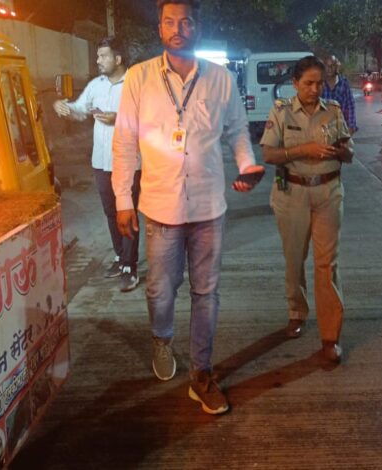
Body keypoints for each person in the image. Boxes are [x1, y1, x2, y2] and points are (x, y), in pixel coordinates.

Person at [112, 0, 264, 415]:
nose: (177, 28)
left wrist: (247, 165)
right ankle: (162, 339)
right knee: (160, 291)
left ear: (197, 27)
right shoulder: (139, 77)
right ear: (159, 28)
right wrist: (123, 200)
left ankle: (201, 373)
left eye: (185, 21)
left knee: (206, 293)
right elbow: (124, 142)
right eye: (169, 21)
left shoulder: (221, 79)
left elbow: (237, 131)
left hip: (209, 207)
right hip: (160, 207)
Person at [260, 55, 354, 366]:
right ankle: (296, 312)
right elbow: (269, 154)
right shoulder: (281, 111)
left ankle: (330, 336)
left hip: (328, 193)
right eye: (308, 83)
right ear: (295, 83)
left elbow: (350, 153)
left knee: (327, 264)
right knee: (294, 258)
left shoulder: (333, 111)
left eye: (319, 83)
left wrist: (341, 150)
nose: (314, 89)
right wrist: (304, 150)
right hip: (293, 194)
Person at [53, 36, 141, 292]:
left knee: (127, 212)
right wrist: (64, 108)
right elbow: (81, 110)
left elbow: (149, 119)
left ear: (118, 58)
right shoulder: (96, 85)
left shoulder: (135, 84)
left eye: (103, 56)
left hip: (128, 162)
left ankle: (130, 266)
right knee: (111, 212)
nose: (98, 60)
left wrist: (119, 118)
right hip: (101, 162)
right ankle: (120, 257)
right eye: (98, 56)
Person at [322, 54, 358, 135]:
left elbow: (350, 105)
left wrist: (351, 127)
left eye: (332, 66)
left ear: (336, 67)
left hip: (341, 129)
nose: (329, 69)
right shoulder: (320, 84)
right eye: (327, 66)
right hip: (323, 129)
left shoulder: (343, 83)